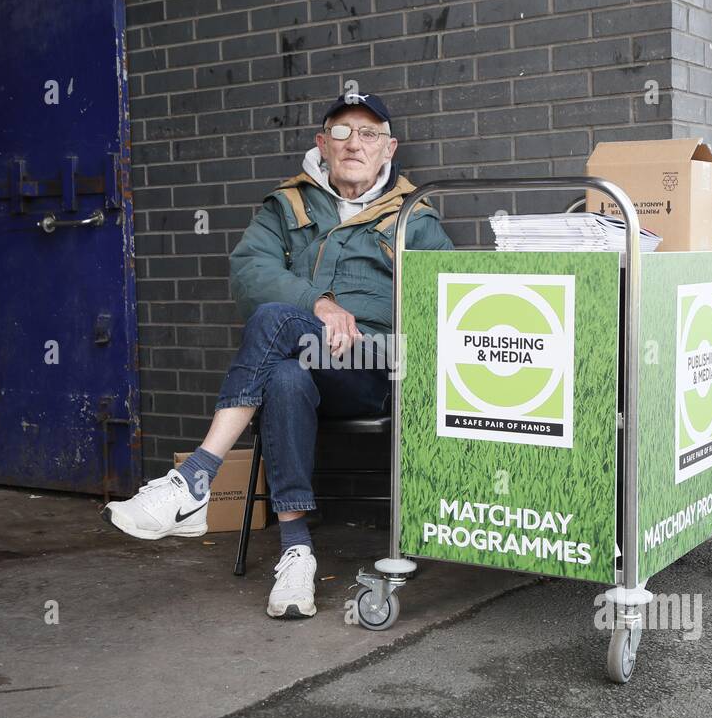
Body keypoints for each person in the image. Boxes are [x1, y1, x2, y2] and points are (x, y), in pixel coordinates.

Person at [103, 92, 454, 618]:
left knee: (272, 320)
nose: (353, 144)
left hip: (372, 365)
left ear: (388, 149)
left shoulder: (415, 220)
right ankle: (297, 554)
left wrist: (372, 336)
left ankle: (197, 476)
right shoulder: (285, 205)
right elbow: (250, 274)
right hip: (300, 359)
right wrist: (319, 305)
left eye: (368, 134)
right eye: (340, 132)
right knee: (285, 376)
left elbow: (446, 302)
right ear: (322, 144)